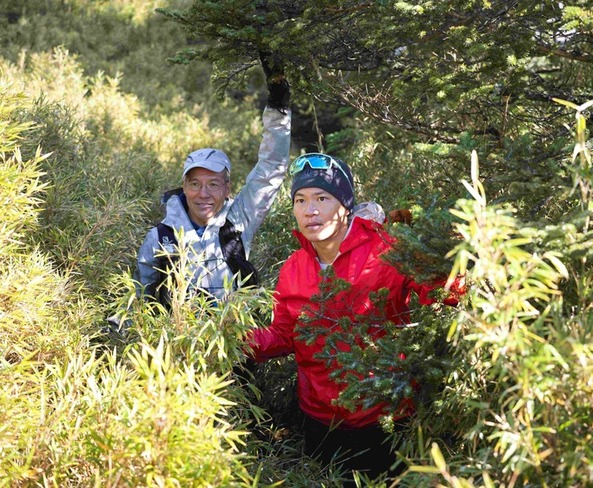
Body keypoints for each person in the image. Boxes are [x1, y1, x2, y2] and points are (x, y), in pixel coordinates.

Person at [247, 153, 464, 485]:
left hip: (388, 418)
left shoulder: (389, 250)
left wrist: (463, 263)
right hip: (320, 419)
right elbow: (287, 334)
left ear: (345, 205)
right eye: (301, 200)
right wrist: (239, 340)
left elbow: (443, 291)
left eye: (323, 198)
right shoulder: (294, 266)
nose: (311, 210)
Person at [134, 57, 291, 304]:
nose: (203, 193)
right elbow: (140, 299)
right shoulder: (161, 237)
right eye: (195, 184)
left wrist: (278, 108)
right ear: (184, 187)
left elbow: (271, 169)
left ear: (227, 188)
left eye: (214, 184)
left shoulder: (239, 221)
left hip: (232, 339)